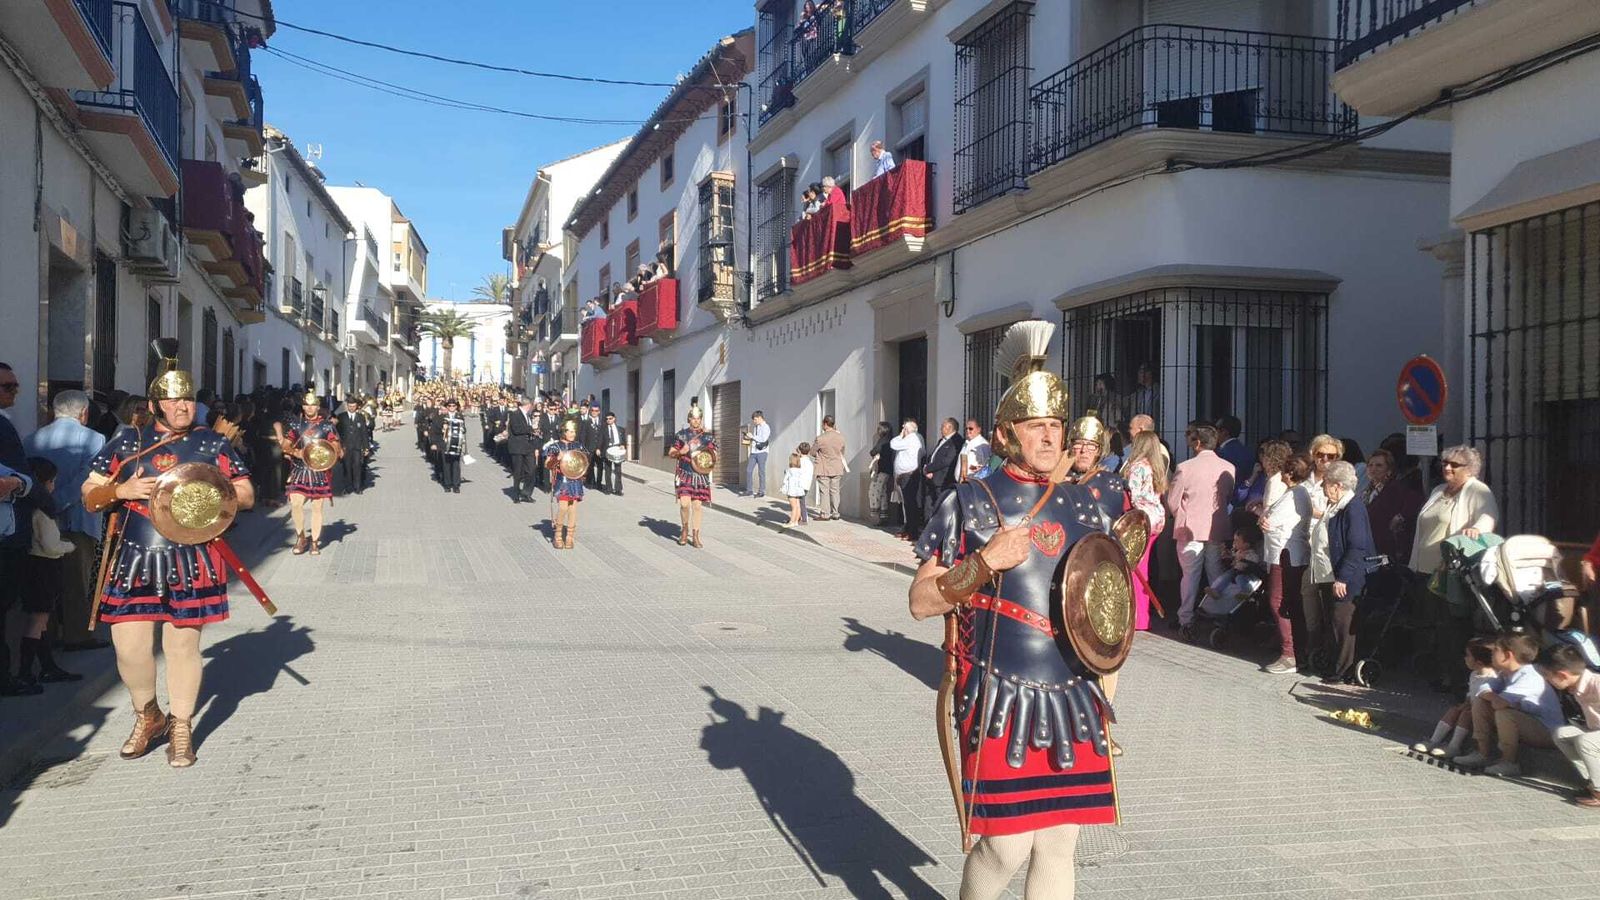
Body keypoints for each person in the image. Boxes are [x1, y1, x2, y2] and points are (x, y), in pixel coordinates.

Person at [907, 320, 1121, 899]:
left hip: (1074, 691)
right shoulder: (971, 500)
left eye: (1056, 426)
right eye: (1036, 427)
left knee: (1058, 843)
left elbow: (1107, 606)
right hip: (1001, 690)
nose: (1050, 438)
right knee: (1005, 844)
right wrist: (983, 564)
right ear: (1007, 434)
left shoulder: (1087, 501)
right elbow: (921, 601)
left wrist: (1110, 675)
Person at [78, 341, 257, 767]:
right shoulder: (127, 439)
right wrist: (120, 490)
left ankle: (181, 726)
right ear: (157, 403)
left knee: (182, 649)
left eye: (189, 398)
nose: (183, 405)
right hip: (135, 554)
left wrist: (209, 494)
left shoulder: (213, 444)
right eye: (175, 398)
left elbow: (247, 494)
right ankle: (148, 716)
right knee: (130, 650)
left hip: (192, 557)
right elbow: (89, 493)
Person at [23, 389, 108, 651]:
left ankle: (45, 635)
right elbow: (87, 478)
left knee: (44, 580)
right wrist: (59, 502)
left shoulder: (32, 438)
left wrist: (47, 504)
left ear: (54, 411)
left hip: (40, 518)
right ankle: (76, 635)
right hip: (78, 519)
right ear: (84, 413)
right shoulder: (94, 438)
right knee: (75, 580)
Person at [1411, 445, 1499, 693]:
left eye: (1454, 464)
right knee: (1433, 624)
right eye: (1444, 463)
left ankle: (1458, 678)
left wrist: (1477, 530)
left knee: (1452, 625)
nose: (1447, 468)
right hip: (1425, 569)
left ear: (1469, 469)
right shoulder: (1439, 490)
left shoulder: (1477, 490)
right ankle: (1439, 672)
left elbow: (1488, 516)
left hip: (1450, 571)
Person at [1455, 633, 1563, 776]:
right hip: (1526, 723)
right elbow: (1482, 691)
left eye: (1495, 651)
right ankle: (1482, 753)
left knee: (1505, 714)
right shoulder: (1505, 673)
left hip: (1547, 731)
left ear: (1507, 656)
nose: (1491, 654)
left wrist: (1494, 698)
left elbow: (1500, 704)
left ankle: (1508, 762)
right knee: (1481, 703)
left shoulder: (1529, 677)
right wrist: (1493, 697)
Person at [16, 457, 82, 686]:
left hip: (31, 565)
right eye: (52, 481)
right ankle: (26, 671)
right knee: (38, 620)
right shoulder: (43, 512)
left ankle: (46, 665)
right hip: (44, 567)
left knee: (40, 621)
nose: (54, 486)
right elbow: (52, 545)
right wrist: (69, 546)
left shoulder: (24, 509)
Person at [1166, 423, 1235, 633]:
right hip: (1216, 526)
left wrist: (1180, 515)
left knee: (1190, 575)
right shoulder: (1228, 467)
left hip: (1190, 527)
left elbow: (1172, 501)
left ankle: (1185, 617)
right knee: (1215, 573)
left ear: (1197, 443)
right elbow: (1228, 495)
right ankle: (1218, 613)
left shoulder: (1185, 468)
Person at [1320, 460, 1374, 683]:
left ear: (1336, 486)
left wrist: (1343, 577)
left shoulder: (1353, 508)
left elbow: (1357, 545)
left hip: (1352, 577)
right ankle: (1337, 665)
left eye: (1325, 484)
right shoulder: (1339, 506)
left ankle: (1343, 670)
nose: (1324, 489)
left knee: (1344, 622)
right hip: (1341, 572)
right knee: (1337, 620)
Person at [1261, 453, 1313, 675]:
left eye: (1283, 470)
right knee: (1286, 600)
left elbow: (1268, 522)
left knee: (1278, 601)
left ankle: (1289, 653)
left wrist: (1262, 516)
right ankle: (1293, 650)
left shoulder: (1294, 496)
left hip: (1285, 554)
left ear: (1289, 473)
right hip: (1289, 553)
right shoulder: (1297, 493)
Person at [1412, 637, 1498, 759]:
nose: (1465, 658)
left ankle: (1454, 746)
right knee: (1454, 710)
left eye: (1468, 656)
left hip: (1482, 715)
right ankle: (1433, 740)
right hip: (1472, 707)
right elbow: (1471, 692)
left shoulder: (1492, 678)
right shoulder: (1474, 674)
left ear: (1479, 662)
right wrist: (1467, 702)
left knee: (1465, 714)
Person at [279, 391, 342, 554]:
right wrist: (296, 452)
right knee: (296, 504)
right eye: (307, 405)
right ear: (303, 406)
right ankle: (301, 537)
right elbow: (285, 445)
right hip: (300, 469)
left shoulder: (327, 426)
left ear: (318, 407)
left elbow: (336, 448)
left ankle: (314, 541)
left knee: (317, 507)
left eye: (313, 405)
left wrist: (331, 453)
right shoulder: (295, 424)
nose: (309, 408)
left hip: (319, 471)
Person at [1121, 430, 1169, 631]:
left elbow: (1134, 496)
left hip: (1141, 519)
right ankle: (1143, 616)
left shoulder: (1137, 467)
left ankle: (1138, 618)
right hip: (1156, 518)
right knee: (1144, 567)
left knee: (1135, 570)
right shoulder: (1156, 467)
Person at [1543, 643, 1600, 808]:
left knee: (1586, 740)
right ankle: (1591, 781)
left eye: (1547, 676)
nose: (1547, 680)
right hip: (1595, 732)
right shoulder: (1576, 688)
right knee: (1562, 734)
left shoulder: (1596, 684)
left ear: (1562, 675)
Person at [1363, 448, 1422, 566]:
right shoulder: (1366, 491)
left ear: (1389, 470)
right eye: (1370, 465)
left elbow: (1417, 501)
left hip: (1388, 552)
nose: (1373, 469)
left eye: (1379, 465)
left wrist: (1400, 517)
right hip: (1369, 547)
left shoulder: (1396, 488)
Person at [669, 411, 717, 548]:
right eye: (693, 418)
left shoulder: (708, 436)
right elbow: (671, 453)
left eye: (698, 419)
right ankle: (685, 529)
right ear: (689, 419)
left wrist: (710, 455)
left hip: (701, 475)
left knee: (697, 506)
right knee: (684, 504)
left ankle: (695, 535)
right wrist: (680, 452)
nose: (696, 421)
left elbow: (714, 455)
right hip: (685, 473)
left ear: (701, 419)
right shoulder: (681, 435)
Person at [545, 419, 585, 549]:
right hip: (562, 481)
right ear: (564, 432)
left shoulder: (578, 445)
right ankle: (557, 536)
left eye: (574, 431)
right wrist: (557, 459)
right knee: (563, 508)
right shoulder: (555, 446)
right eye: (571, 431)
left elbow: (584, 461)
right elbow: (547, 464)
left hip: (575, 481)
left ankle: (569, 537)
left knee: (573, 509)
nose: (573, 434)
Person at [889, 419, 924, 540]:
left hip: (908, 475)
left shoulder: (911, 439)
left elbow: (893, 444)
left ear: (908, 430)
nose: (902, 429)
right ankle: (908, 529)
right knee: (907, 504)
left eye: (904, 428)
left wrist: (900, 435)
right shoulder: (909, 439)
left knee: (910, 505)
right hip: (904, 475)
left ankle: (912, 532)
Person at [506, 396, 539, 503]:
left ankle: (526, 493)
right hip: (518, 447)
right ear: (528, 405)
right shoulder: (515, 414)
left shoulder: (528, 415)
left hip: (528, 447)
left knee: (531, 470)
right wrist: (531, 429)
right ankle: (515, 494)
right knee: (518, 472)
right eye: (531, 405)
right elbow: (516, 429)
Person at [812, 415, 846, 520]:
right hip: (837, 467)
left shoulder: (820, 438)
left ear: (825, 424)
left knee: (824, 491)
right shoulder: (841, 437)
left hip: (824, 467)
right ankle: (835, 513)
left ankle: (825, 514)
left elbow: (812, 452)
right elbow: (842, 451)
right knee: (835, 491)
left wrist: (818, 455)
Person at [431, 398, 466, 494]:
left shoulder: (460, 416)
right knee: (446, 464)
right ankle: (447, 484)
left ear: (456, 407)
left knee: (455, 464)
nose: (452, 407)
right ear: (447, 407)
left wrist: (462, 431)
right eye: (450, 406)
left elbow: (464, 429)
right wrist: (434, 443)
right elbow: (434, 431)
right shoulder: (441, 417)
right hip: (444, 443)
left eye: (454, 406)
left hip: (456, 444)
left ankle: (456, 485)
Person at [334, 398, 364, 495]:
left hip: (357, 447)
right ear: (347, 406)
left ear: (356, 407)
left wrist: (366, 447)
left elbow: (364, 432)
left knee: (357, 467)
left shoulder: (361, 417)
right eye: (350, 406)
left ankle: (357, 487)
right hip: (345, 447)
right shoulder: (341, 417)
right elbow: (337, 433)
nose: (352, 408)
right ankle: (348, 487)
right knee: (347, 468)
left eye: (354, 406)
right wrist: (339, 447)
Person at [1215, 415, 1252, 492]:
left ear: (1224, 432)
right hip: (1243, 493)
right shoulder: (1246, 450)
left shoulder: (1222, 453)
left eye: (1216, 429)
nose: (1214, 433)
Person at [868, 421, 895, 525]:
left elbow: (873, 452)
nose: (877, 431)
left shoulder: (883, 440)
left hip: (883, 470)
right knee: (883, 493)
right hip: (887, 470)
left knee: (875, 491)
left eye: (879, 429)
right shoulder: (890, 440)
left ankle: (876, 515)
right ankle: (884, 516)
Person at [743, 410, 771, 498]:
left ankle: (761, 491)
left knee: (761, 471)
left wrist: (753, 437)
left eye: (755, 419)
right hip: (754, 451)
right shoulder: (756, 427)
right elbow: (755, 439)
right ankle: (749, 490)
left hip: (762, 452)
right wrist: (749, 437)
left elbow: (763, 439)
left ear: (760, 418)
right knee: (748, 470)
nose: (754, 421)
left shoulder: (766, 427)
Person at [600, 411, 625, 496]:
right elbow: (600, 440)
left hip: (617, 449)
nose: (608, 420)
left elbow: (623, 440)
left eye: (610, 419)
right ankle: (608, 488)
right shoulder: (603, 429)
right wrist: (598, 449)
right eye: (607, 419)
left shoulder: (620, 429)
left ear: (614, 419)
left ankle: (618, 489)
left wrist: (622, 445)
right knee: (607, 470)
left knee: (618, 471)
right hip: (607, 450)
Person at [781, 451, 807, 528]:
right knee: (798, 506)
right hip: (799, 490)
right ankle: (796, 521)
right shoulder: (800, 471)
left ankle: (791, 521)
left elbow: (785, 481)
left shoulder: (789, 471)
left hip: (791, 491)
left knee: (793, 507)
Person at [796, 442, 815, 524]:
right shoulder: (810, 462)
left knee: (799, 503)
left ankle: (803, 519)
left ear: (799, 451)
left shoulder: (799, 461)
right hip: (806, 485)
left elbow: (796, 473)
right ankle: (798, 518)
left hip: (799, 485)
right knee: (800, 502)